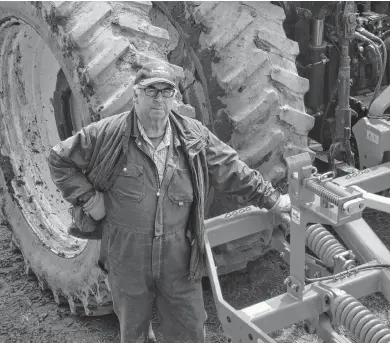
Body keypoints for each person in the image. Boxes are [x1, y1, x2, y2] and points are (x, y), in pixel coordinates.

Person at [47, 61, 291, 343]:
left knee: (189, 330)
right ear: (135, 94)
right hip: (127, 257)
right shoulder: (108, 134)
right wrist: (89, 199)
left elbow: (231, 169)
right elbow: (59, 159)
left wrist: (272, 199)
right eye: (151, 91)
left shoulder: (193, 136)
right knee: (134, 332)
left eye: (166, 92)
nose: (158, 99)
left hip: (179, 256)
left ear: (175, 98)